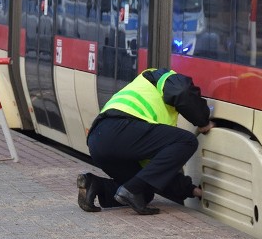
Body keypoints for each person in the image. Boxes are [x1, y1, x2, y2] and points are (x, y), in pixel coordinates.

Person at [78, 68, 214, 215]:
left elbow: (157, 169)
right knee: (188, 141)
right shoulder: (161, 77)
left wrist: (190, 190)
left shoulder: (142, 94)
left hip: (97, 141)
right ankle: (131, 190)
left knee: (144, 192)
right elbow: (182, 90)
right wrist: (203, 120)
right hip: (120, 130)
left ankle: (95, 185)